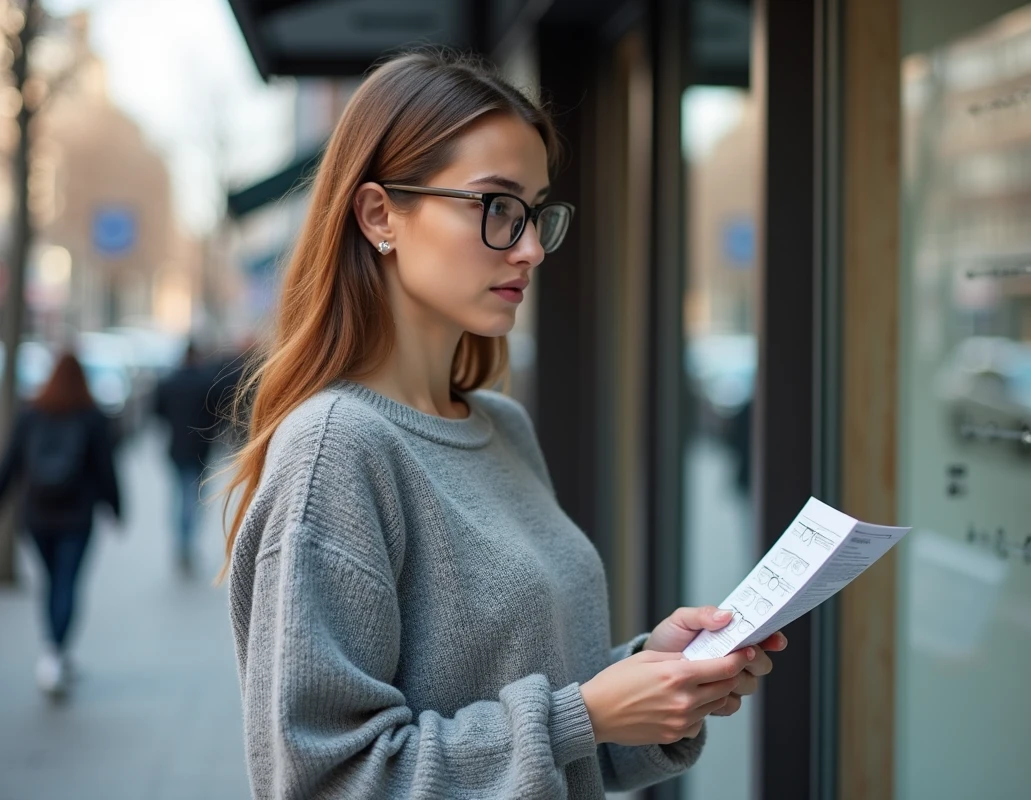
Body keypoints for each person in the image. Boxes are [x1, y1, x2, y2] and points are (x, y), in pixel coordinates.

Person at [222, 51, 786, 799]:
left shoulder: (502, 427)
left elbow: (555, 741)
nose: (530, 247)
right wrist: (583, 715)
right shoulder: (337, 450)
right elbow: (329, 779)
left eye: (535, 211)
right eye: (495, 206)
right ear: (380, 214)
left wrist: (653, 674)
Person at [0, 351, 121, 696]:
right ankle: (56, 653)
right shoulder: (92, 417)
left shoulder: (31, 414)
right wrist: (116, 508)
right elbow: (105, 468)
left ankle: (53, 653)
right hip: (76, 516)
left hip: (36, 515)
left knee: (51, 582)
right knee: (66, 583)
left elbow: (11, 463)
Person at [154, 341, 220, 574]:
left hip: (176, 449)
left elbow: (158, 412)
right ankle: (187, 543)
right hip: (201, 450)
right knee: (193, 498)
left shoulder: (169, 382)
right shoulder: (206, 383)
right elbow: (216, 415)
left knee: (181, 495)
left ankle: (183, 542)